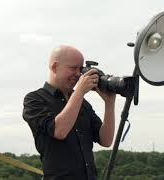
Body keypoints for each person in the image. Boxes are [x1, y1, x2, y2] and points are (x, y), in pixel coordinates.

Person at [22, 45, 116, 180]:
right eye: (73, 68)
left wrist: (109, 103)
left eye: (81, 69)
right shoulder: (34, 99)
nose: (78, 74)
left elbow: (106, 140)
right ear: (55, 67)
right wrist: (80, 92)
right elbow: (59, 131)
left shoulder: (81, 103)